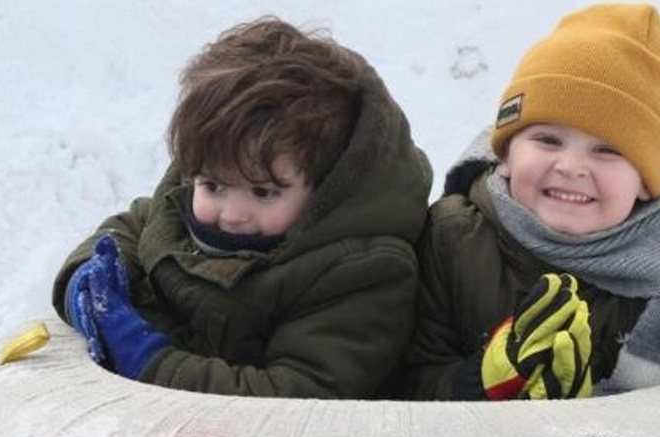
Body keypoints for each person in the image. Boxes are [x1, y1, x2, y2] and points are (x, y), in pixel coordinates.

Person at [52, 17, 431, 398]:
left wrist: (149, 362)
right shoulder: (181, 203)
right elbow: (130, 227)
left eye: (263, 193)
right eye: (213, 186)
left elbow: (295, 399)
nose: (231, 215)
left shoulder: (361, 271)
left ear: (326, 188)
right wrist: (86, 276)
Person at [398, 3, 660, 401]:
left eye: (607, 150)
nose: (571, 166)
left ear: (646, 183)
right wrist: (480, 381)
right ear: (505, 156)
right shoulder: (451, 237)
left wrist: (587, 405)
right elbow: (404, 377)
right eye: (548, 140)